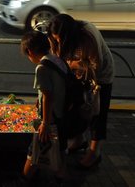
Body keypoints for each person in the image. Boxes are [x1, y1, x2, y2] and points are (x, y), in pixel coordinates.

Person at [47, 13, 114, 170]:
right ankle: (79, 140)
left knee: (97, 113)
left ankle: (94, 153)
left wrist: (73, 65)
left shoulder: (87, 35)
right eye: (55, 39)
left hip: (100, 78)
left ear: (69, 35)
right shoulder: (54, 37)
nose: (58, 42)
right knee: (76, 108)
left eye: (60, 39)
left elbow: (95, 67)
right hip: (76, 76)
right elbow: (57, 58)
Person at [16, 30, 67, 185]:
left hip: (52, 117)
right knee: (58, 149)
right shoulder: (57, 60)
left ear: (29, 51)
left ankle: (24, 179)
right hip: (62, 113)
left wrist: (45, 122)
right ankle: (60, 178)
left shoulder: (42, 67)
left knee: (35, 150)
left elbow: (48, 96)